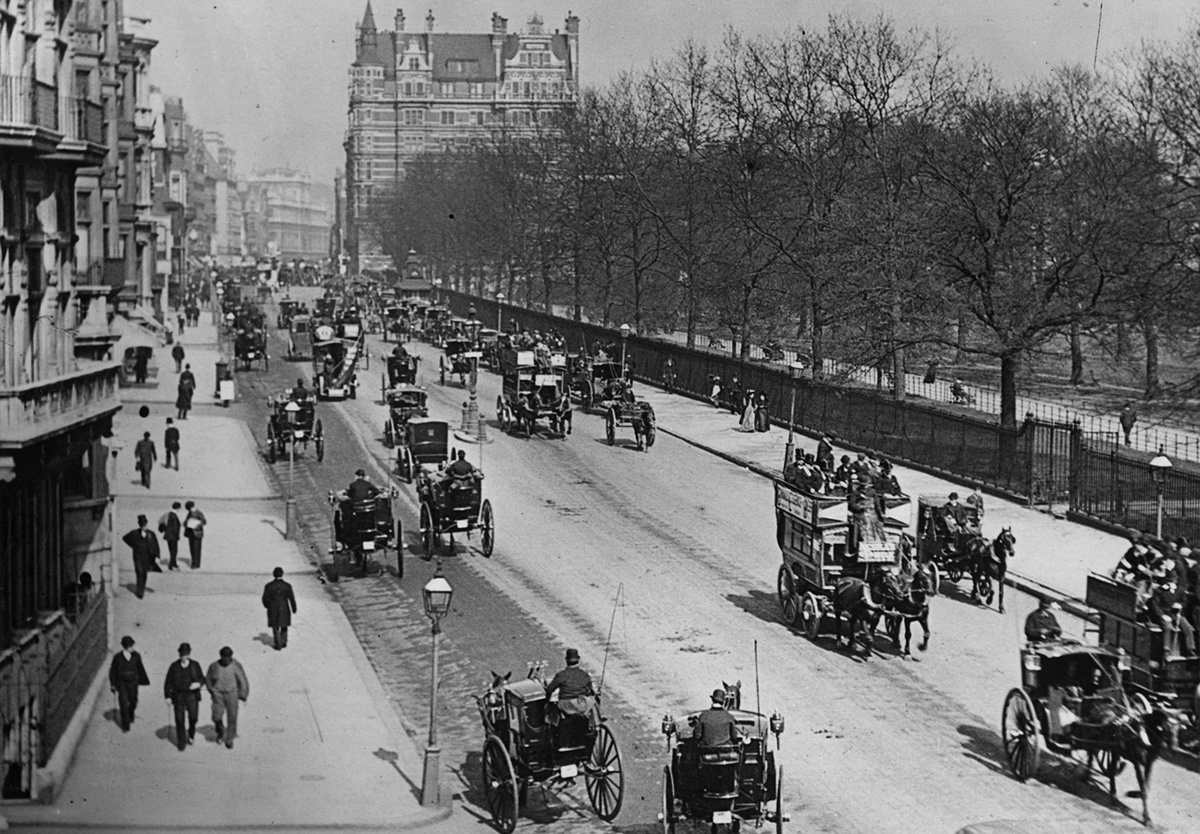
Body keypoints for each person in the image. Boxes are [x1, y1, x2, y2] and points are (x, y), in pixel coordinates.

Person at [164, 642, 205, 751]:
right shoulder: (174, 666)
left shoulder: (195, 665)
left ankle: (191, 734)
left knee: (193, 718)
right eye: (182, 655)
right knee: (179, 719)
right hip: (178, 695)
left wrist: (198, 684)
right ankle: (181, 742)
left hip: (192, 695)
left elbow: (202, 678)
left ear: (189, 654)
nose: (184, 657)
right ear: (179, 654)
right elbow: (168, 682)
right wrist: (168, 696)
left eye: (186, 654)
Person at [206, 646, 249, 749]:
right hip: (218, 693)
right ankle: (220, 731)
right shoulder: (214, 666)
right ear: (220, 656)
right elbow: (208, 678)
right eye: (224, 656)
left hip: (232, 693)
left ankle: (229, 739)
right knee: (216, 716)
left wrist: (243, 694)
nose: (226, 659)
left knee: (232, 717)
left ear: (231, 656)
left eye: (228, 657)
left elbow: (243, 680)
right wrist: (211, 690)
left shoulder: (236, 666)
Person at [544, 648, 598, 729]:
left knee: (551, 709)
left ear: (566, 660)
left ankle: (552, 727)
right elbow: (590, 691)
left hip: (566, 706)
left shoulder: (561, 675)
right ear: (578, 660)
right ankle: (594, 725)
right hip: (581, 706)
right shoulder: (585, 675)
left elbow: (549, 690)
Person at [108, 636, 150, 732]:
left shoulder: (136, 656)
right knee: (123, 703)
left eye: (132, 646)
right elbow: (113, 671)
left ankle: (131, 713)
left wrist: (143, 680)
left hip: (133, 683)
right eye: (130, 646)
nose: (132, 648)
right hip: (122, 683)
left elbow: (140, 668)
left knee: (133, 701)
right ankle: (125, 725)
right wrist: (113, 684)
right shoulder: (117, 658)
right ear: (125, 647)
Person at [122, 514, 159, 599]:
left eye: (145, 525)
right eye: (142, 525)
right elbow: (125, 538)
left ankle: (141, 589)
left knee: (144, 574)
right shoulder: (134, 533)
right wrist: (132, 545)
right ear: (140, 525)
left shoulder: (151, 534)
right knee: (139, 572)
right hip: (137, 556)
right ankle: (140, 592)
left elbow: (155, 545)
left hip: (147, 557)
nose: (144, 527)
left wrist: (157, 555)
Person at [262, 567, 297, 650]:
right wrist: (294, 608)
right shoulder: (287, 586)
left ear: (273, 574)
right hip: (284, 608)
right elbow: (291, 598)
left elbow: (264, 598)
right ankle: (283, 642)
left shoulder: (269, 586)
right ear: (282, 574)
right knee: (284, 625)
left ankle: (278, 644)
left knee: (275, 626)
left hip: (273, 608)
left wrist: (267, 605)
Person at [158, 501, 183, 570]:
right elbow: (175, 527)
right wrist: (177, 536)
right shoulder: (174, 516)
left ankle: (174, 563)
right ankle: (171, 565)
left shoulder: (168, 514)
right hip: (173, 536)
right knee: (174, 551)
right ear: (178, 508)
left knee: (171, 550)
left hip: (168, 536)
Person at [184, 500, 207, 569]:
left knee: (196, 549)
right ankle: (194, 562)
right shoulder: (190, 513)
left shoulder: (198, 513)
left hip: (197, 533)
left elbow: (204, 521)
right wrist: (185, 523)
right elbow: (187, 520)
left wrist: (197, 525)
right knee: (192, 549)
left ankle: (196, 564)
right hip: (191, 533)